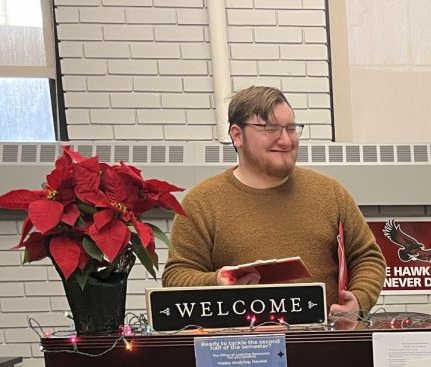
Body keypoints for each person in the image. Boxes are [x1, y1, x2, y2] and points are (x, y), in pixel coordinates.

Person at [163, 86, 386, 326]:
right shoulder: (202, 202)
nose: (286, 140)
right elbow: (176, 276)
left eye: (291, 128)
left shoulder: (329, 193)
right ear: (237, 135)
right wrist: (217, 281)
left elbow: (368, 258)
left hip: (325, 346)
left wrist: (359, 300)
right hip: (241, 355)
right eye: (270, 129)